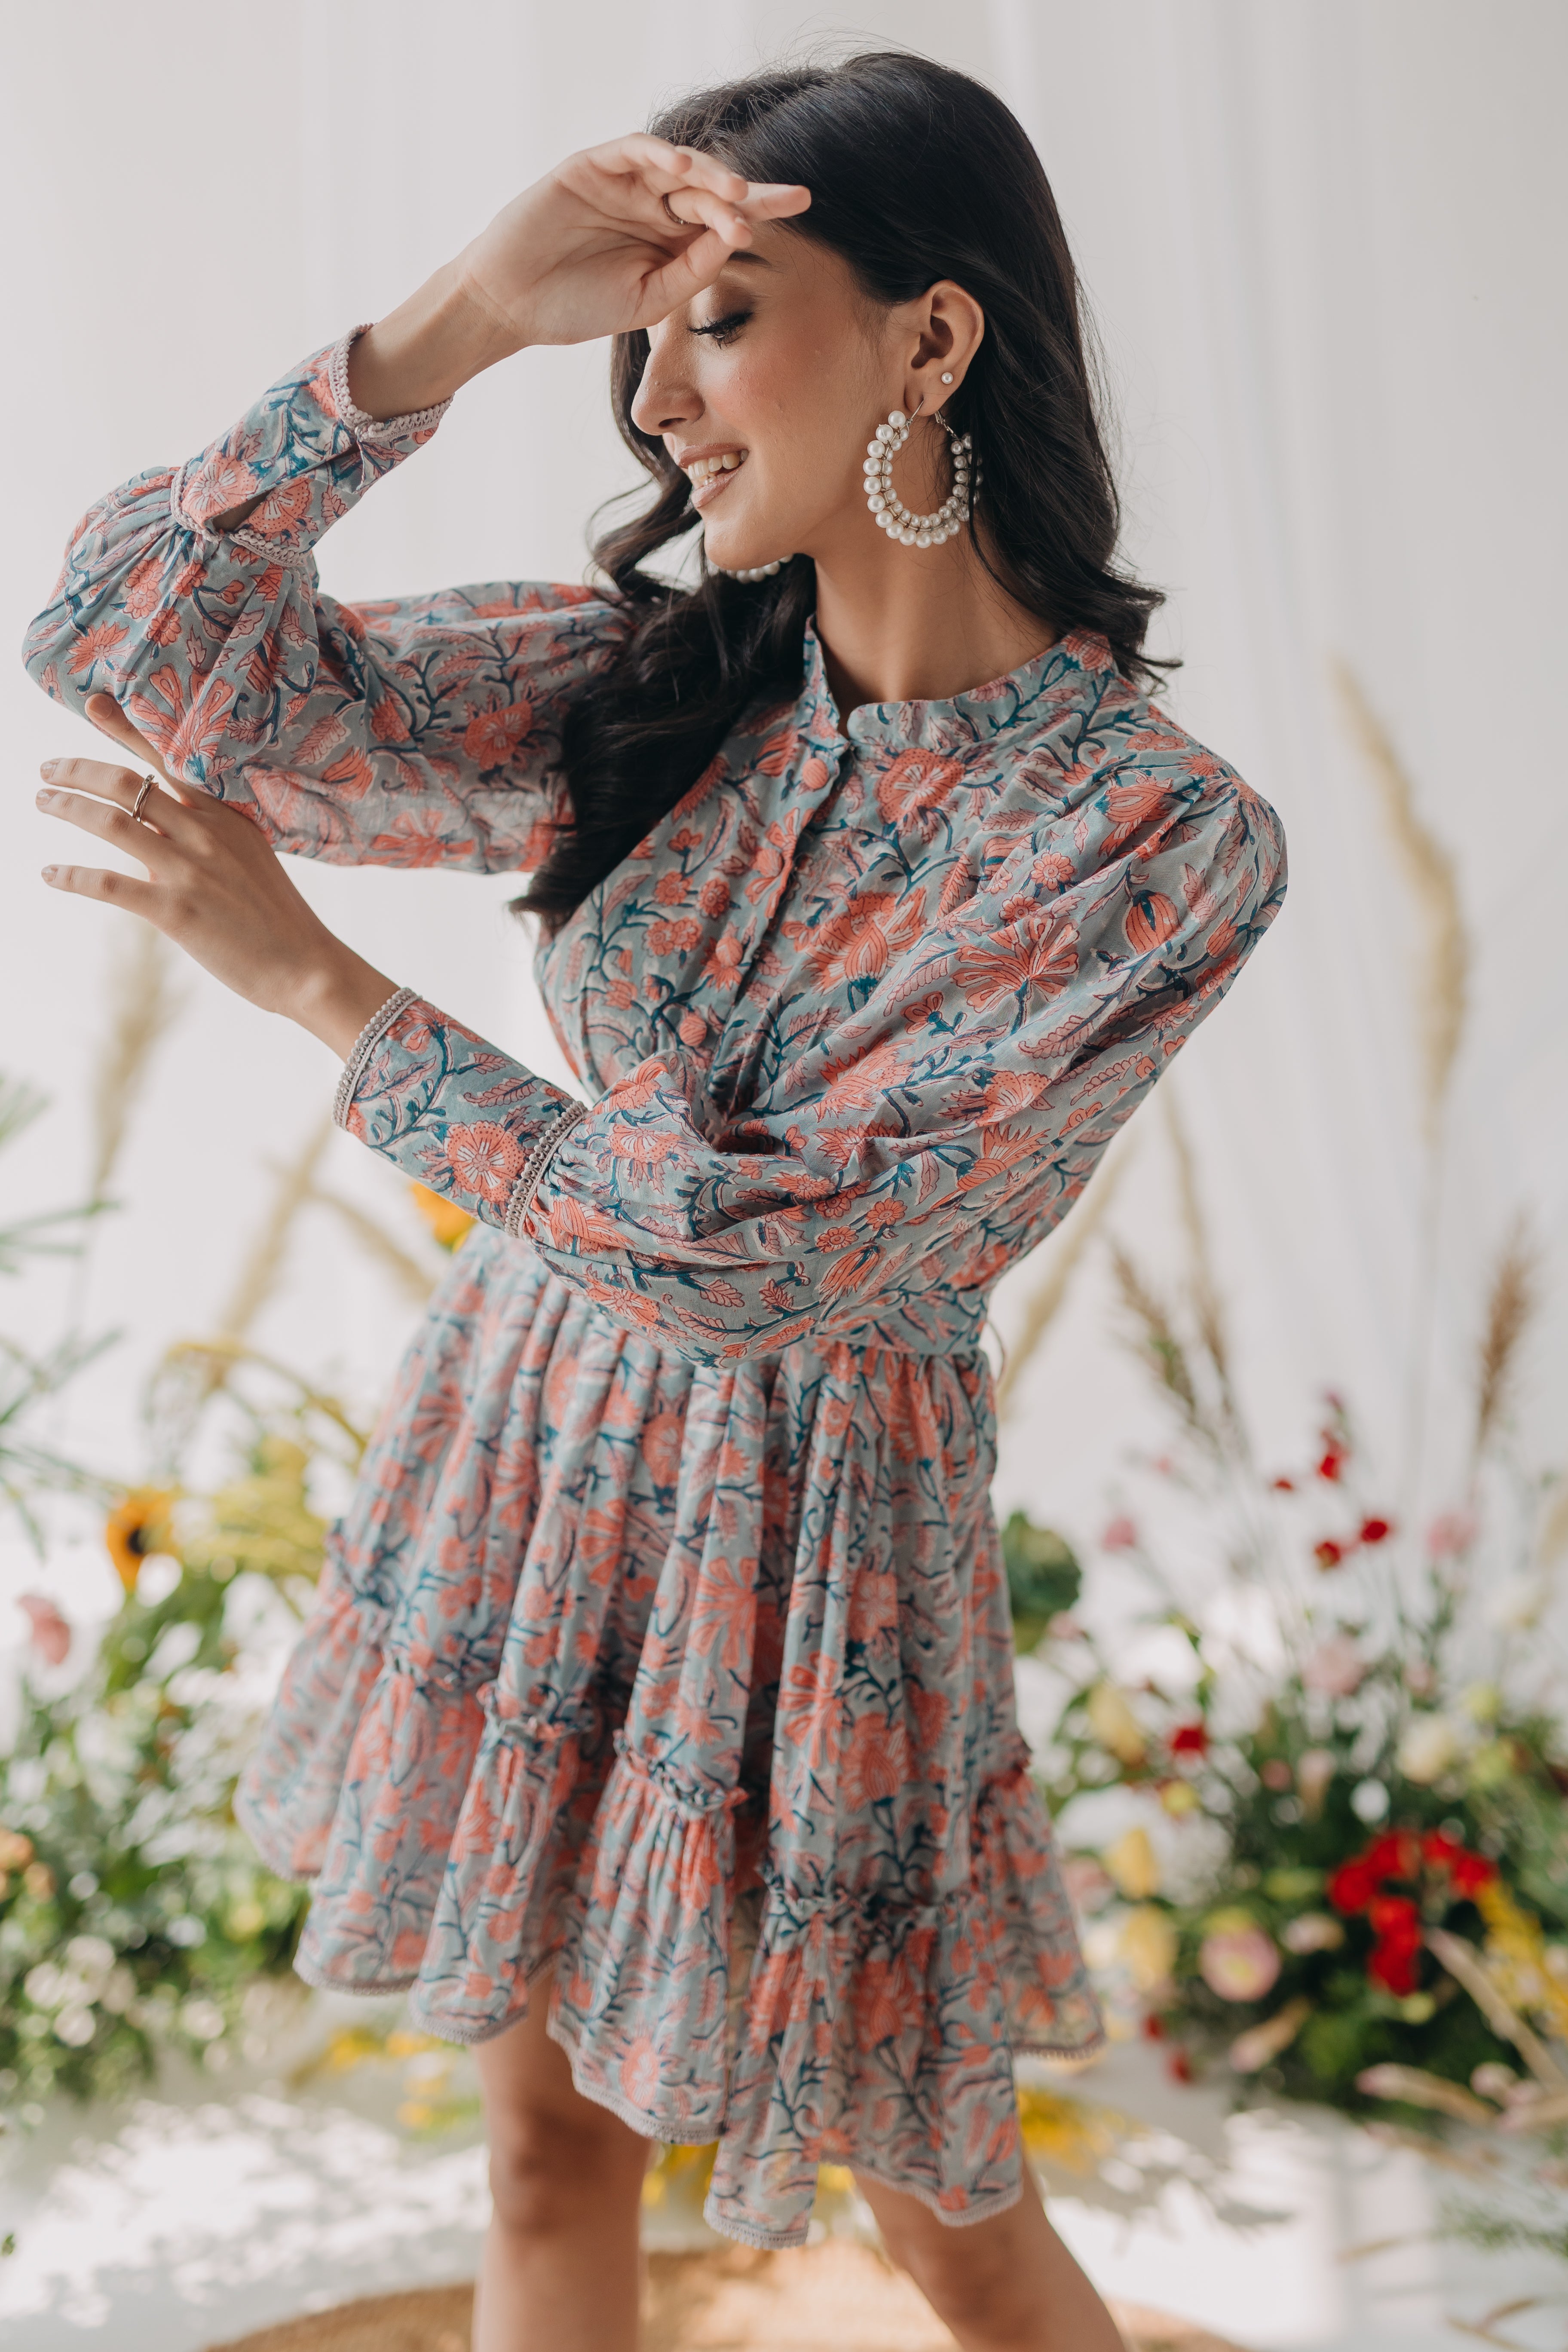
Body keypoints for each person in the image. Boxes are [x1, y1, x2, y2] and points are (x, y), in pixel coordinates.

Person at [24, 50, 1285, 2352]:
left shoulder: (1153, 837)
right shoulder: (656, 686)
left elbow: (767, 1252)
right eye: (639, 339)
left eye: (723, 318)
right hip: (537, 1463)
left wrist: (319, 988)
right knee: (541, 2156)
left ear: (932, 336)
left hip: (827, 1565)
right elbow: (127, 645)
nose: (659, 401)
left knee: (947, 2225)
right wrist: (442, 329)